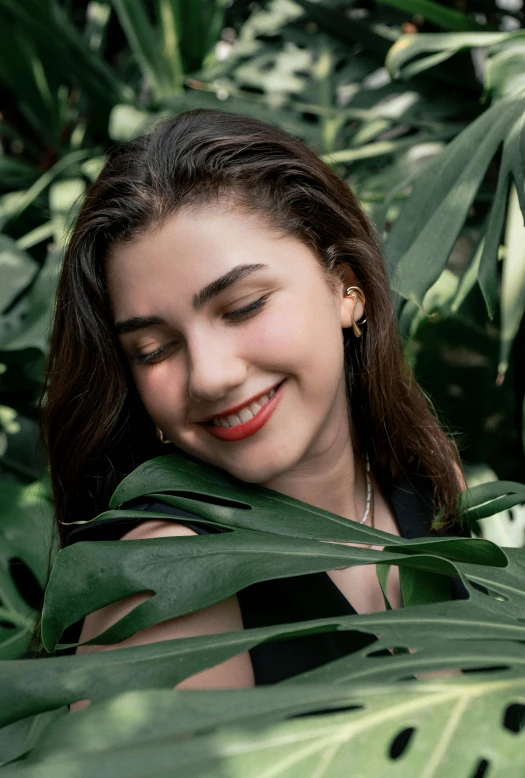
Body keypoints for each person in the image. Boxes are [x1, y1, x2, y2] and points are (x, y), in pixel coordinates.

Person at [42, 109, 467, 699]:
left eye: (243, 307)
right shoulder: (166, 581)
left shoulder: (427, 477)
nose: (210, 377)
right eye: (154, 348)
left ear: (347, 289)